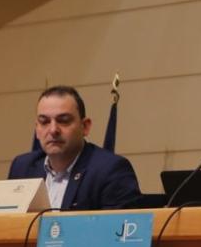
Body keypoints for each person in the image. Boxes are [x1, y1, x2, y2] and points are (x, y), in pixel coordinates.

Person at [8, 86, 142, 210]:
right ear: (37, 129)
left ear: (85, 126)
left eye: (64, 120)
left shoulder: (110, 170)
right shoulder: (22, 168)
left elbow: (120, 231)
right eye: (44, 122)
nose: (53, 130)